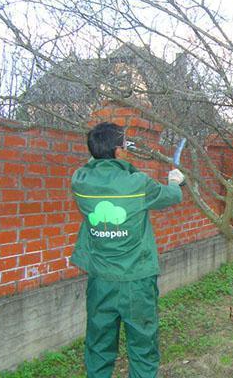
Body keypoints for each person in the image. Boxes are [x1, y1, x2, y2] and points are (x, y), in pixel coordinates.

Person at [70, 122, 184, 377]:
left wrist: (102, 151)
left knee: (98, 346)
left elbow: (92, 165)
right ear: (119, 152)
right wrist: (175, 182)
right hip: (137, 281)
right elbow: (172, 197)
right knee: (143, 346)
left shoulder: (80, 181)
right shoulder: (138, 183)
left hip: (100, 280)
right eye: (123, 145)